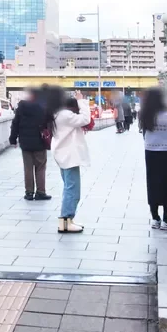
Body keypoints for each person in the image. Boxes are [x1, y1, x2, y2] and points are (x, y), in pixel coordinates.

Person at [139, 88, 167, 230]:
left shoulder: (144, 114)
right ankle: (166, 220)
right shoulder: (166, 115)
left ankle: (155, 219)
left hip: (151, 152)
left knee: (153, 185)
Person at [52, 96, 92, 232]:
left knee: (69, 188)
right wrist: (82, 101)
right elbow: (86, 118)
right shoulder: (65, 115)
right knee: (72, 190)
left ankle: (67, 221)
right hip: (69, 157)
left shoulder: (57, 114)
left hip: (63, 155)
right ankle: (66, 222)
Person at [9, 88, 52, 201]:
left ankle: (29, 193)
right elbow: (49, 123)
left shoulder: (21, 108)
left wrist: (13, 139)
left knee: (28, 168)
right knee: (41, 167)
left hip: (25, 143)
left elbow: (15, 124)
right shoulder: (42, 108)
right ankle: (40, 192)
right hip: (39, 142)